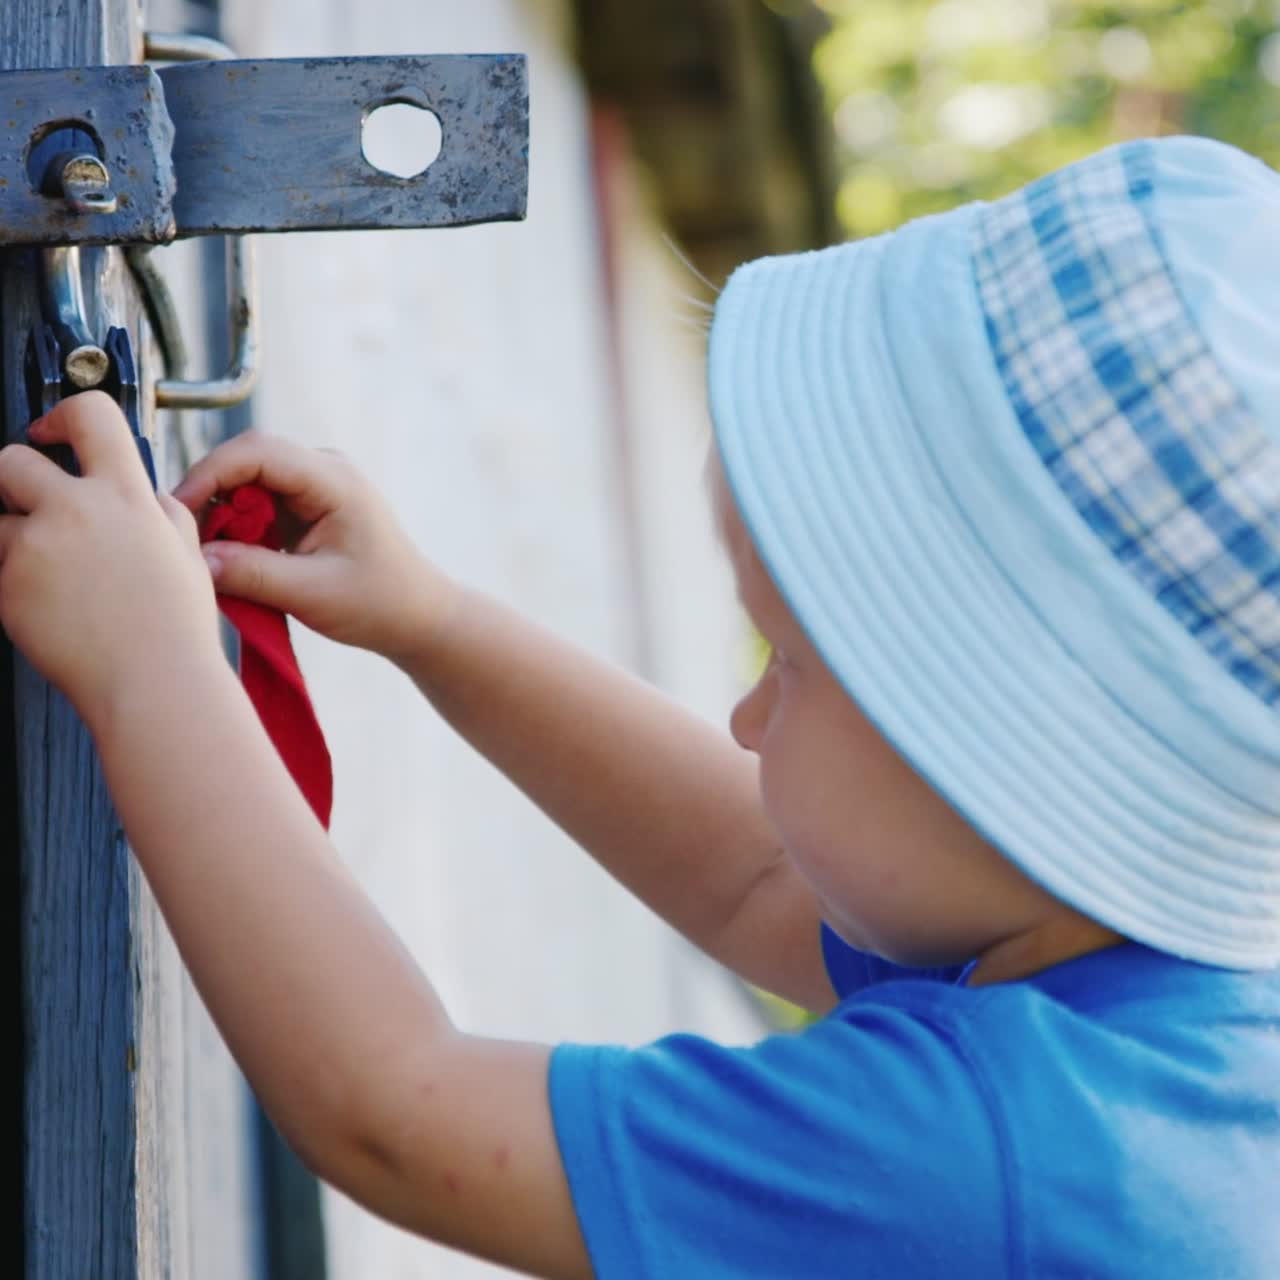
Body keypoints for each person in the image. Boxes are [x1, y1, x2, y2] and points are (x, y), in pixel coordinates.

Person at [1, 133, 1278, 1278]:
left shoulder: (989, 1159)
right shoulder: (1154, 1012)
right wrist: (431, 621)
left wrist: (148, 666)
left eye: (785, 659)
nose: (743, 717)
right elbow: (762, 884)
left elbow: (395, 1107)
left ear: (1008, 768)